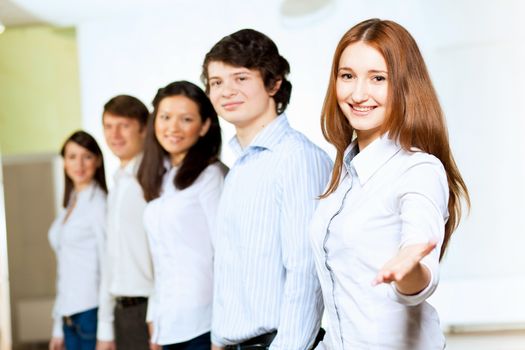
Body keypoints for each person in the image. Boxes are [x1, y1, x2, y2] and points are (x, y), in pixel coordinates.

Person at [310, 18, 471, 349]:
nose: (358, 93)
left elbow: (421, 274)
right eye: (347, 76)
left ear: (404, 85)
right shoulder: (342, 175)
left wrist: (409, 271)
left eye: (378, 78)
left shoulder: (418, 170)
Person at [201, 29, 332, 350]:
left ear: (274, 84)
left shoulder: (297, 158)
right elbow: (233, 269)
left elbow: (306, 272)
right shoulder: (240, 167)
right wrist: (219, 339)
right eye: (216, 82)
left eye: (241, 78)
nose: (226, 91)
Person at [137, 80, 225, 350]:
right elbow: (161, 258)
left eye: (186, 119)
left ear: (204, 126)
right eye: (165, 117)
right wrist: (154, 317)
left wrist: (221, 335)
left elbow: (225, 255)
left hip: (204, 325)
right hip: (168, 324)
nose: (172, 128)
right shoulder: (160, 177)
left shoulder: (211, 176)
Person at [97, 95, 154, 350]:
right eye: (108, 126)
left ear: (144, 129)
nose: (115, 135)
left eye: (124, 125)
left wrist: (156, 314)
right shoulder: (119, 182)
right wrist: (106, 327)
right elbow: (111, 260)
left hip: (148, 311)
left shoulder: (152, 180)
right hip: (123, 314)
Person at [49, 131, 107, 350]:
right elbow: (64, 270)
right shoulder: (71, 204)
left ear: (98, 161)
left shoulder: (99, 204)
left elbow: (107, 264)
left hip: (90, 312)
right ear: (64, 162)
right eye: (72, 157)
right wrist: (57, 325)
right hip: (67, 314)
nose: (79, 164)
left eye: (87, 156)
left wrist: (105, 327)